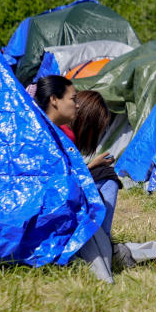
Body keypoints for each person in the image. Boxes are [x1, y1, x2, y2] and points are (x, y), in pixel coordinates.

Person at [33, 76, 120, 239]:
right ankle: (103, 237)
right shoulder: (64, 134)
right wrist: (93, 165)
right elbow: (64, 178)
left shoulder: (49, 127)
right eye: (73, 100)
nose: (77, 105)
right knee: (108, 179)